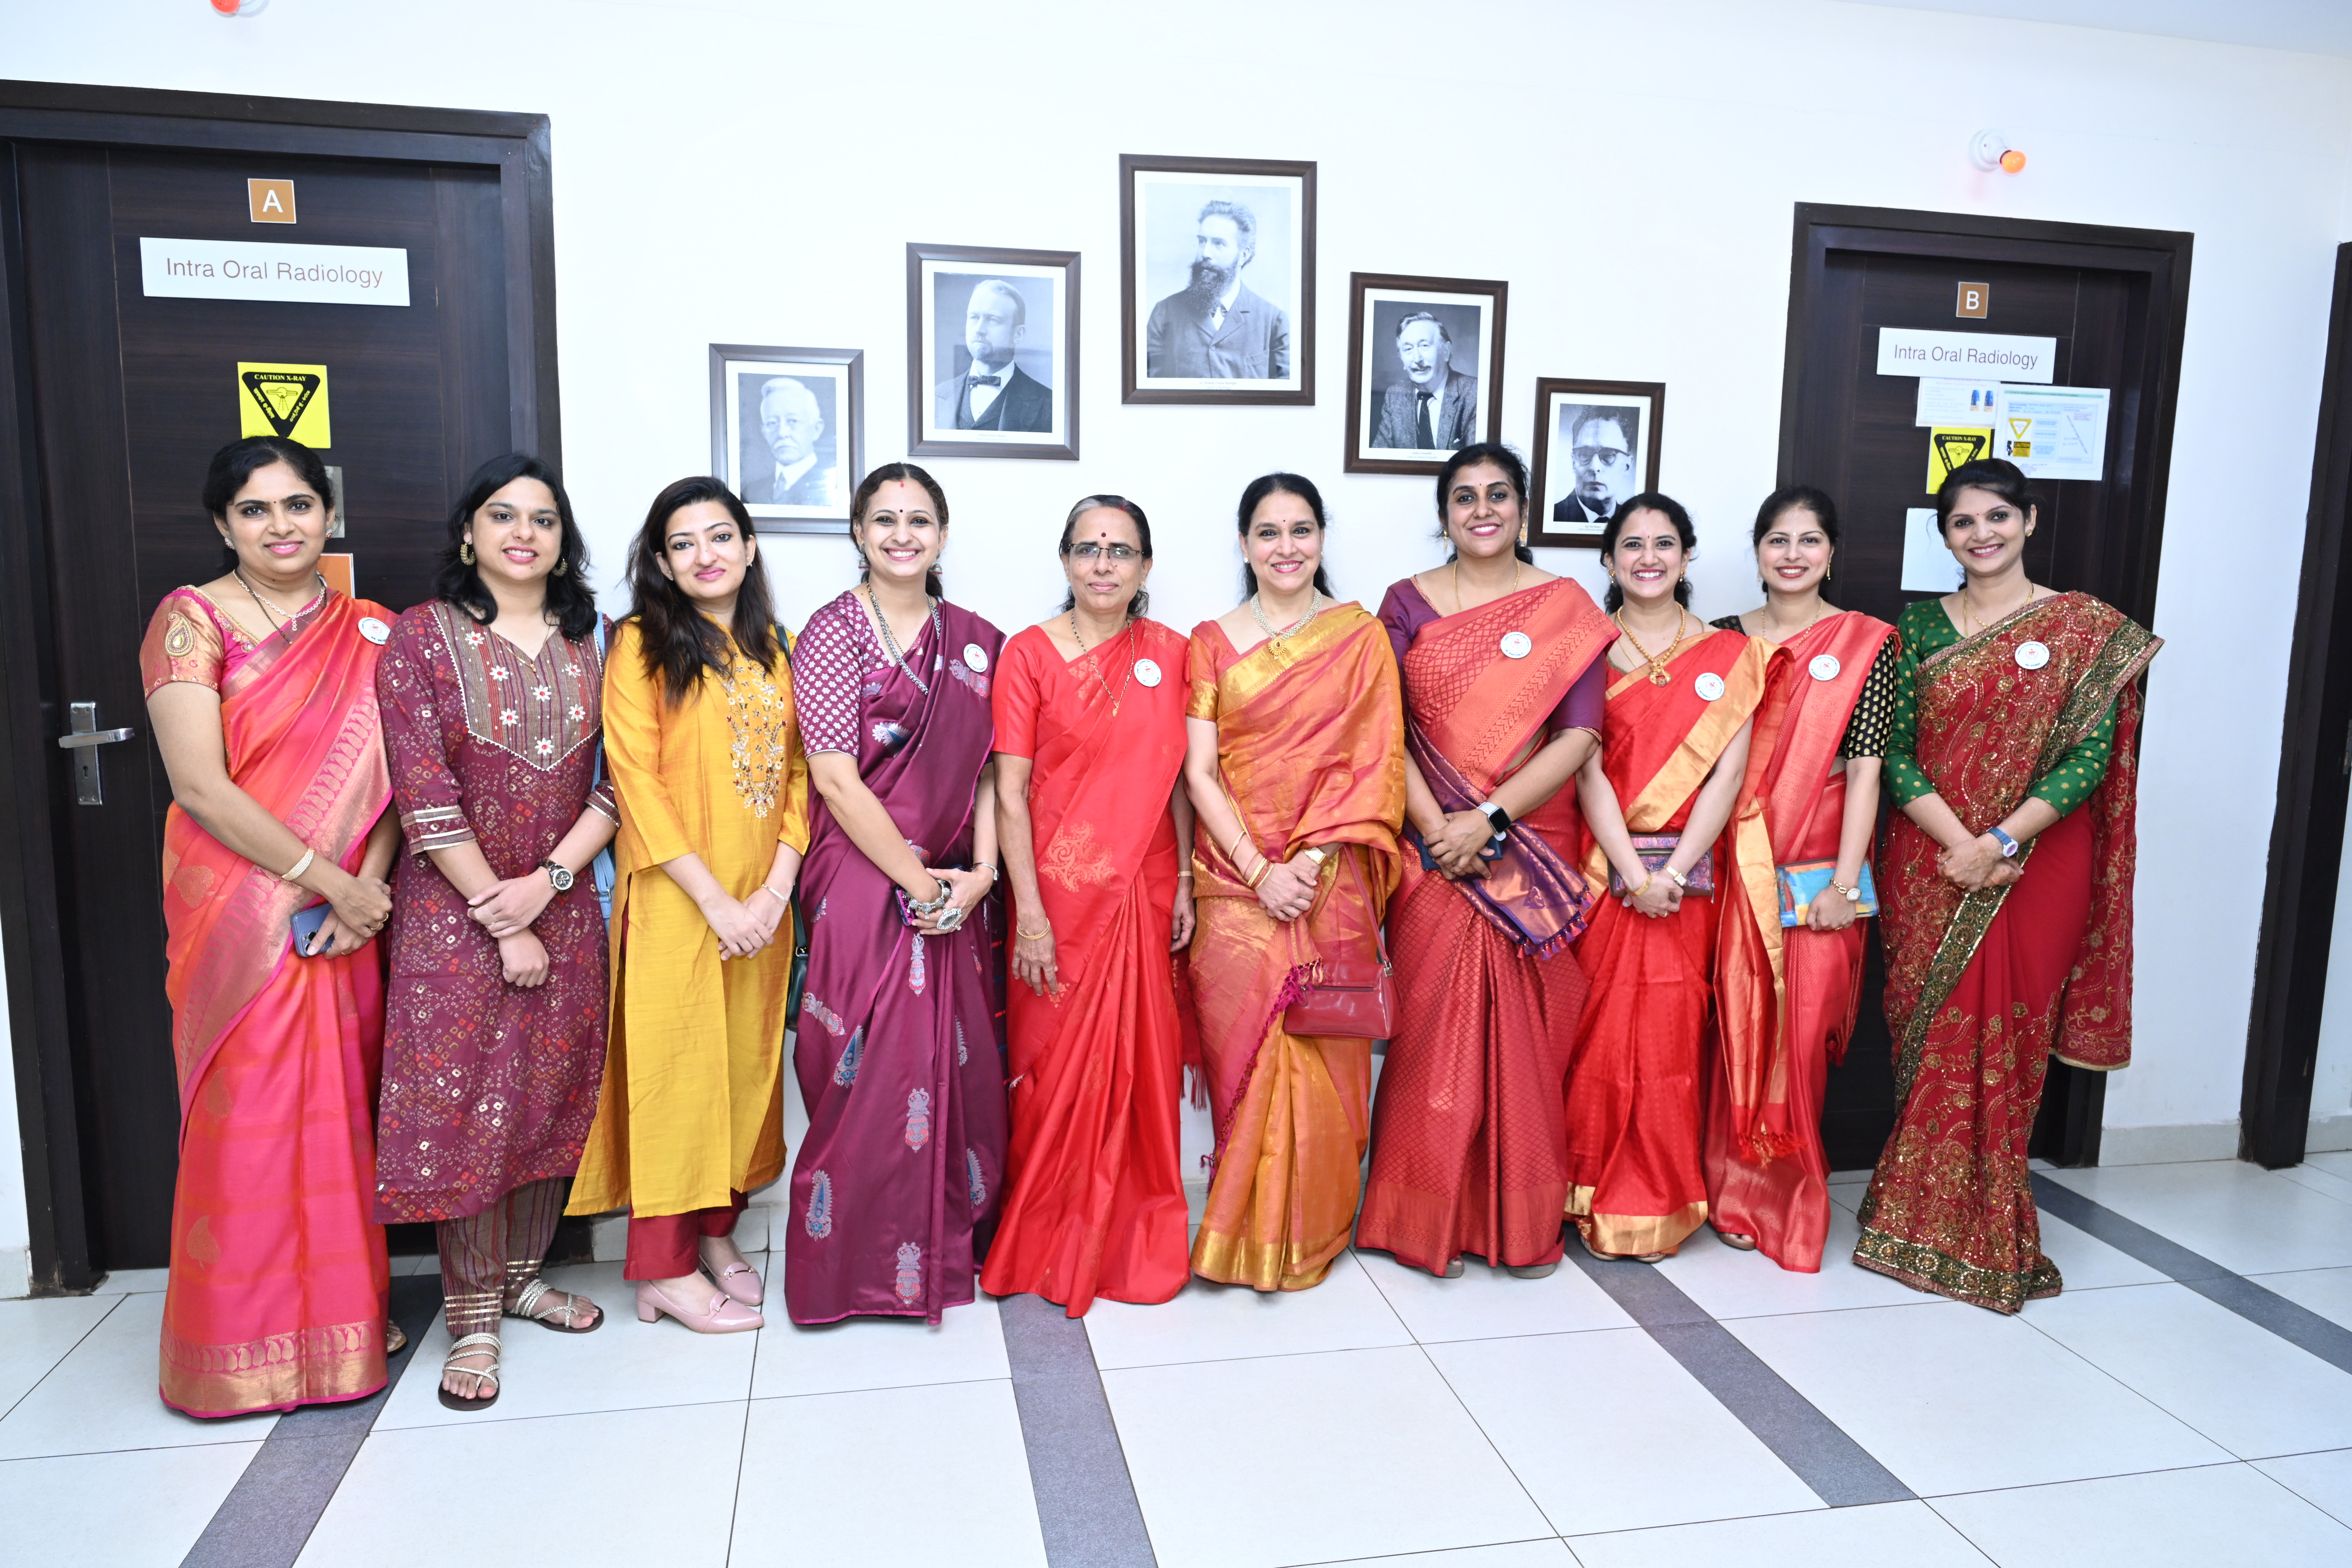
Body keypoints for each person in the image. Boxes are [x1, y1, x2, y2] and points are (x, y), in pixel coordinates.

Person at [1855, 459, 2158, 1313]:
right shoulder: (1917, 626)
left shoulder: (2084, 629)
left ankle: (1988, 1225)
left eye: (1996, 516)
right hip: (1929, 860)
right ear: (1945, 536)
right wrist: (1961, 845)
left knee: (2011, 1040)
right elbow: (1895, 752)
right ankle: (1910, 1218)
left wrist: (1999, 840)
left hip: (2039, 862)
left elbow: (2090, 760)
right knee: (1930, 1030)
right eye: (1962, 521)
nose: (1981, 533)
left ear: (2028, 519)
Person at [143, 436, 402, 1416]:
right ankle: (236, 1350)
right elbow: (200, 786)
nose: (282, 525)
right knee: (247, 1123)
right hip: (238, 910)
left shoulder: (372, 628)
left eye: (299, 504)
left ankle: (339, 1328)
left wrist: (365, 887)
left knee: (336, 1118)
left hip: (343, 914)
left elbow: (397, 780)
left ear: (328, 513)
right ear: (224, 523)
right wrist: (326, 880)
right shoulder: (190, 618)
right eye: (255, 509)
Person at [374, 454, 619, 1409]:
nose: (524, 533)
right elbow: (422, 789)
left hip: (565, 902)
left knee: (551, 1093)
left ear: (563, 540)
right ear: (469, 533)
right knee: (469, 1104)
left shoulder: (597, 639)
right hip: (456, 913)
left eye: (543, 519)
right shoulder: (421, 637)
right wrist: (502, 912)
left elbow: (621, 782)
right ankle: (472, 1313)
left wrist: (548, 885)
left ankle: (520, 1278)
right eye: (503, 516)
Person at [1358, 444, 1614, 1279]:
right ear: (1444, 515)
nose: (1482, 509)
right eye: (1464, 497)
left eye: (1498, 494)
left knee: (1526, 1044)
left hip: (1528, 849)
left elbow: (1580, 736)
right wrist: (1441, 830)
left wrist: (1488, 820)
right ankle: (1419, 1218)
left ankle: (1517, 1222)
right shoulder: (1405, 602)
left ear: (1523, 509)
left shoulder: (1565, 607)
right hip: (1431, 850)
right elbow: (1386, 729)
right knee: (1429, 1040)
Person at [566, 477, 808, 1334]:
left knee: (742, 1071)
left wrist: (774, 891)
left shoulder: (775, 646)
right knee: (675, 1074)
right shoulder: (638, 644)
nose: (705, 554)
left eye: (720, 536)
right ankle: (663, 1270)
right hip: (678, 898)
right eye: (683, 542)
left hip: (761, 905)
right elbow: (635, 782)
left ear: (749, 546)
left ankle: (713, 1234)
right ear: (663, 564)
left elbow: (799, 774)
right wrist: (716, 902)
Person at [784, 463, 1010, 1323]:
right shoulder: (831, 632)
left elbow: (987, 771)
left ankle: (946, 1251)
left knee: (957, 1066)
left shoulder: (979, 641)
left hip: (955, 883)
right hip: (860, 878)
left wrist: (980, 875)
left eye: (919, 520)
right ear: (858, 532)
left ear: (943, 535)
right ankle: (851, 1271)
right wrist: (920, 884)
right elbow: (835, 779)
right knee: (858, 1069)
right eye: (885, 519)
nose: (902, 534)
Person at [1182, 473, 1405, 1291]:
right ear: (1244, 544)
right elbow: (1199, 772)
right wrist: (1259, 869)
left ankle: (1310, 1232)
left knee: (1322, 1051)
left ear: (1321, 538)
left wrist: (1305, 866)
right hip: (1235, 885)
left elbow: (1374, 764)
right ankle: (1240, 1233)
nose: (1286, 547)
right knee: (1243, 1052)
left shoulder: (1361, 638)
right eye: (1269, 533)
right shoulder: (1210, 641)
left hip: (1329, 880)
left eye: (1301, 530)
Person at [980, 496, 1195, 1316]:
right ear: (1065, 559)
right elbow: (1009, 791)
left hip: (1144, 888)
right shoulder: (1028, 654)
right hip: (1055, 901)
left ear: (1146, 566)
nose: (1103, 564)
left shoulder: (1172, 654)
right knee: (1048, 1074)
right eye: (1088, 548)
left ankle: (1128, 1241)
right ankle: (1044, 1239)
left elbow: (1178, 782)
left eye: (1121, 550)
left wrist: (1185, 880)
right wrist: (1030, 915)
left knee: (1141, 1067)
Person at [1563, 493, 1780, 1262]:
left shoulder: (1732, 656)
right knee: (1593, 1040)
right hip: (1601, 876)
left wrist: (1675, 872)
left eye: (1664, 543)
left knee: (1670, 1043)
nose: (1647, 557)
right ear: (1608, 559)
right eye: (1632, 544)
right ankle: (1586, 1189)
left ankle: (1656, 1199)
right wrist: (1632, 872)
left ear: (1687, 556)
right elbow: (1582, 768)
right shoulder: (1583, 649)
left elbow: (1728, 777)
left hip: (1689, 884)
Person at [1702, 486, 1897, 1272]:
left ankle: (1787, 1200)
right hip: (1727, 867)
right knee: (1728, 1033)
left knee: (1799, 1039)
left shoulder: (1866, 644)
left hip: (1817, 868)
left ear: (1831, 551)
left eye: (1808, 540)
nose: (1792, 554)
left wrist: (1844, 887)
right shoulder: (1719, 638)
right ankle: (1726, 1191)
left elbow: (1867, 771)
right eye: (1777, 540)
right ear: (1756, 551)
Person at [1144, 199, 1291, 380]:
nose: (1205, 253)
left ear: (1243, 256)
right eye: (1202, 241)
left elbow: (1287, 390)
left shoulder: (1273, 321)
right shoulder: (1165, 312)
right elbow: (1149, 386)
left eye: (1219, 244)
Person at [934, 280, 1053, 433]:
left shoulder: (1048, 404)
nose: (979, 330)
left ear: (1018, 334)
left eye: (993, 320)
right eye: (974, 317)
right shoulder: (937, 396)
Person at [1372, 313, 1478, 450]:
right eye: (1408, 349)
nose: (1417, 359)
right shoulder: (1395, 396)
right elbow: (1379, 456)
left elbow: (1477, 460)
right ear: (1402, 358)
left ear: (1446, 352)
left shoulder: (1475, 393)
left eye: (1425, 346)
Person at [747, 377, 834, 506]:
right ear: (764, 432)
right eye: (772, 423)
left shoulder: (832, 488)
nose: (782, 433)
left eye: (793, 421)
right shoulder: (752, 492)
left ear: (816, 429)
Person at [1552, 409, 1639, 525]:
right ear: (1574, 461)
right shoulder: (1554, 517)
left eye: (1608, 455)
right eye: (1585, 454)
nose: (1594, 467)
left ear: (1627, 465)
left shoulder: (1634, 524)